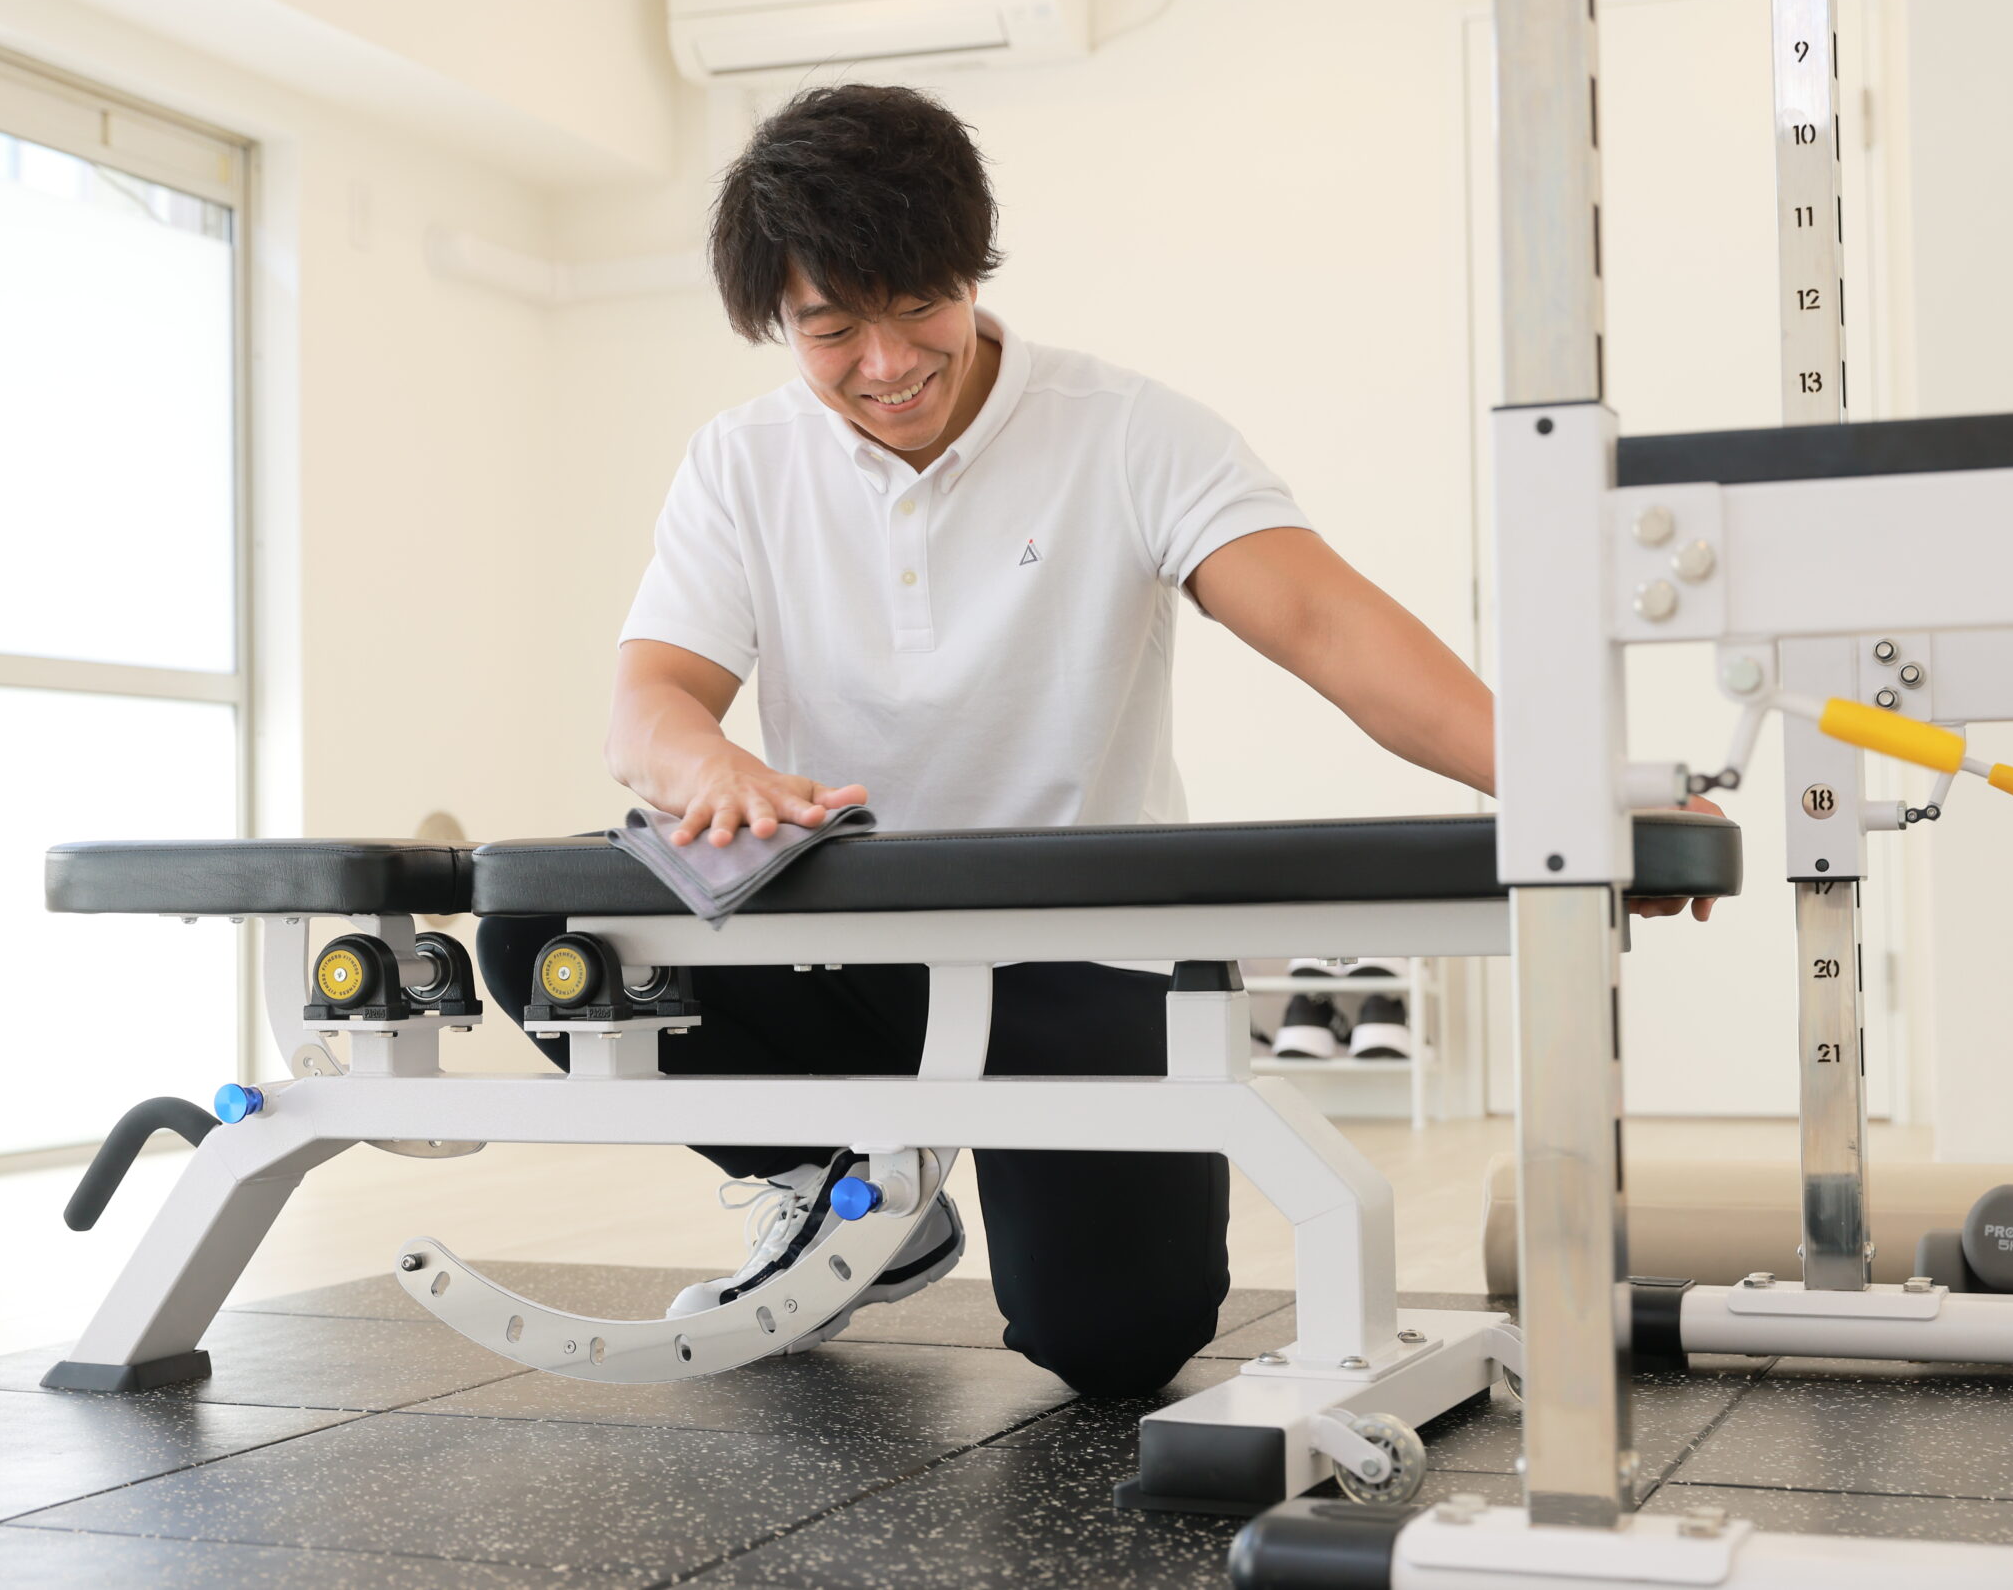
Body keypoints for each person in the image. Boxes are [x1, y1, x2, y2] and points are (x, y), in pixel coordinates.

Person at [477, 83, 1717, 1399]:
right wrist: (711, 768)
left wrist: (1573, 793)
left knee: (1118, 1346)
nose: (887, 364)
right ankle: (846, 1189)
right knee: (547, 932)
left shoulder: (1128, 434)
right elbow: (648, 705)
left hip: (1082, 950)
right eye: (833, 330)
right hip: (840, 933)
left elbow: (1327, 628)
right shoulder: (741, 463)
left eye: (918, 308)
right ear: (779, 322)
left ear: (972, 272)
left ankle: (974, 1215)